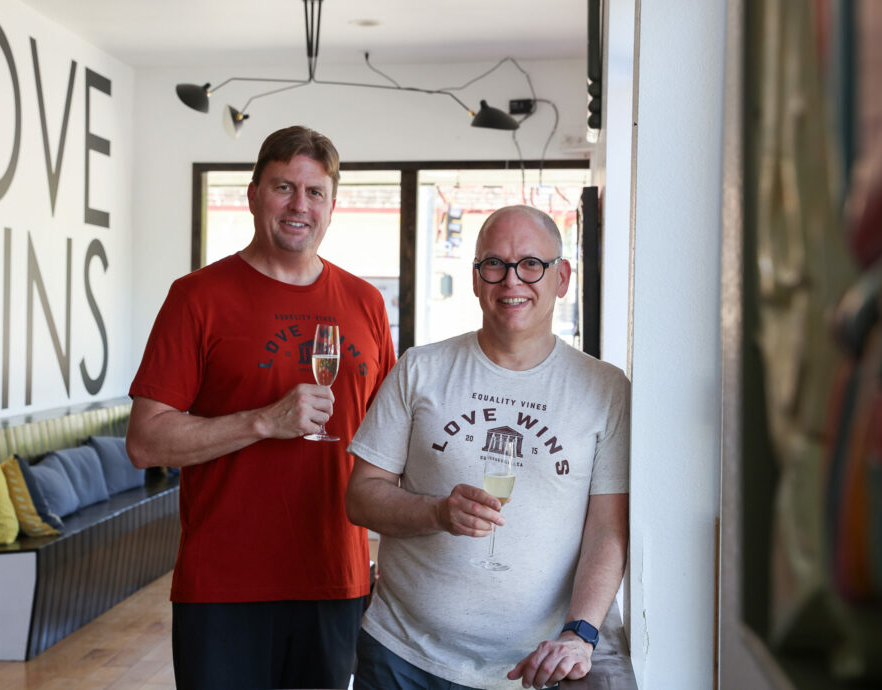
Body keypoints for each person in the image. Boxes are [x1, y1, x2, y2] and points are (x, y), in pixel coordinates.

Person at [126, 125, 396, 689]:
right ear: (253, 195)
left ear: (332, 206)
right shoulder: (196, 297)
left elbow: (392, 445)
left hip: (335, 577)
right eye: (283, 187)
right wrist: (263, 422)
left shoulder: (365, 303)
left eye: (315, 192)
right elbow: (145, 441)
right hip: (224, 584)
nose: (300, 205)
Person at [346, 205, 629, 690]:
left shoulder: (604, 389)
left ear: (561, 278)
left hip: (531, 669)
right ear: (476, 280)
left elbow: (607, 529)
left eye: (531, 265)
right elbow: (360, 496)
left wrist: (579, 635)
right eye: (494, 264)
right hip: (400, 656)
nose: (512, 281)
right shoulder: (420, 369)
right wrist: (437, 513)